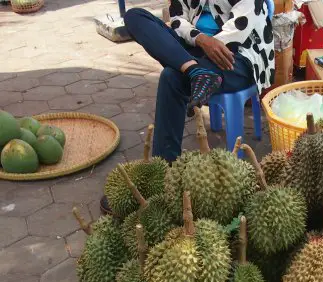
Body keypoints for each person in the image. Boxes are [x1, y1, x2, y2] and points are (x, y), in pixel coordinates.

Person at [100, 0, 275, 214]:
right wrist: (199, 40)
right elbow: (176, 20)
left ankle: (163, 171)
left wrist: (190, 49)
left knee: (172, 76)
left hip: (238, 57)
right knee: (135, 16)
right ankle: (194, 71)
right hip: (196, 51)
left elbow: (236, 32)